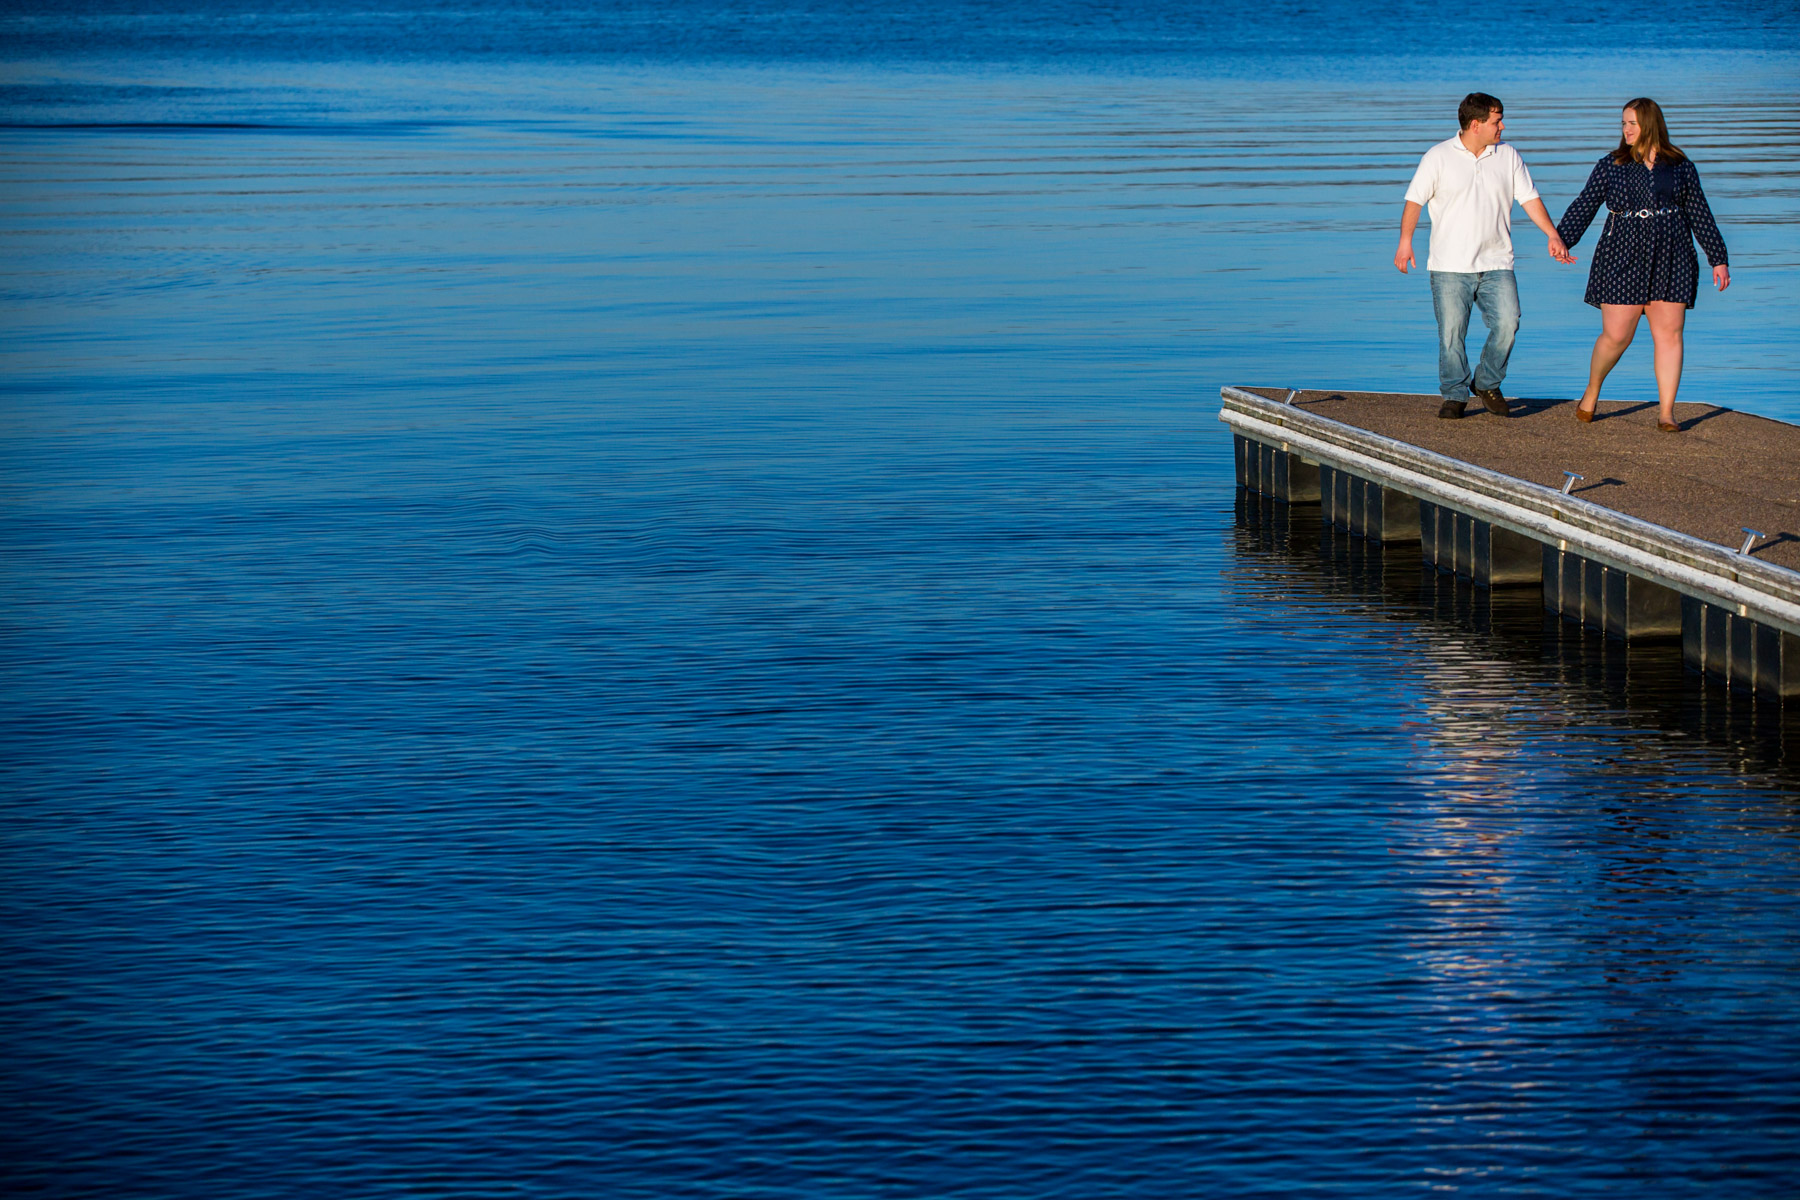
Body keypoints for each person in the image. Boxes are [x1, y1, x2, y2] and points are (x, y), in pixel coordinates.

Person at [1396, 93, 1574, 420]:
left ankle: (1487, 381)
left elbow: (1529, 198)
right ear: (1475, 125)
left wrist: (1552, 234)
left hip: (1497, 263)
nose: (1502, 126)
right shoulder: (1437, 157)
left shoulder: (1508, 156)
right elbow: (1414, 201)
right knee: (1451, 335)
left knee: (1508, 322)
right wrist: (1405, 241)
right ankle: (1455, 395)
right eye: (1497, 121)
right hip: (1449, 267)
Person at [1556, 98, 1730, 432]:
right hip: (1622, 253)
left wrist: (1718, 258)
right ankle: (1592, 390)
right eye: (1623, 123)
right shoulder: (1612, 164)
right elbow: (1586, 203)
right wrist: (1563, 239)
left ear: (1651, 124)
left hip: (1673, 254)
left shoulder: (1680, 165)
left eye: (1632, 124)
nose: (1626, 130)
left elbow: (1700, 212)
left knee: (1670, 334)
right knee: (1617, 335)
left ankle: (1667, 413)